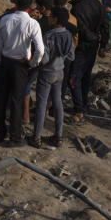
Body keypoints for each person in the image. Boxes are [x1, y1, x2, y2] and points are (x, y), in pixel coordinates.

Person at [0, 0, 45, 145]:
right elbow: (40, 50)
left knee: (2, 98)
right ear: (30, 5)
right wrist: (32, 63)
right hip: (20, 65)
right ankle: (15, 137)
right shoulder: (32, 24)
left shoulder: (5, 19)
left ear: (16, 1)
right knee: (17, 101)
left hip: (5, 62)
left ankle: (0, 132)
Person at [29, 8, 75, 148]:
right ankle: (59, 136)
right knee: (58, 103)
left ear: (55, 19)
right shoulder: (68, 35)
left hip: (47, 73)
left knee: (42, 104)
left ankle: (36, 137)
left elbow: (45, 58)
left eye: (50, 17)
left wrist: (34, 64)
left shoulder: (48, 36)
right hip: (60, 72)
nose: (48, 18)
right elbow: (71, 56)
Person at [69, 0, 108, 124]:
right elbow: (105, 23)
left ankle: (79, 109)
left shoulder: (76, 9)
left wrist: (94, 39)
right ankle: (82, 106)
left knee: (74, 78)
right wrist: (102, 44)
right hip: (93, 47)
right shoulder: (95, 2)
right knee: (85, 77)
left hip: (82, 48)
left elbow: (82, 30)